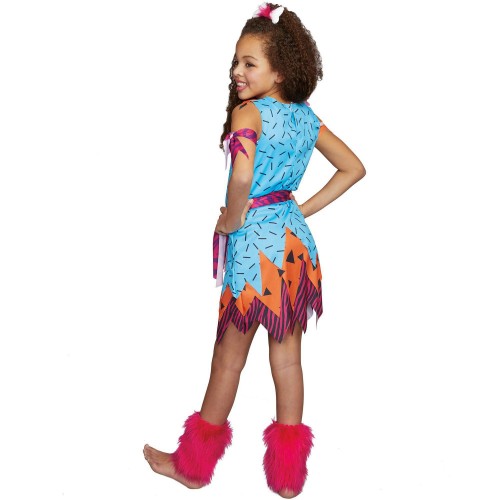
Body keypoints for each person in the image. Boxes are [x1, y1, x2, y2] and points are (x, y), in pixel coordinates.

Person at [143, 3, 365, 497]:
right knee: (287, 361)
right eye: (235, 62)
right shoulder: (306, 119)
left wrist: (231, 218)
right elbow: (353, 168)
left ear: (279, 71)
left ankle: (193, 467)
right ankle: (288, 479)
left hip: (254, 250)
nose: (237, 72)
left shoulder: (248, 113)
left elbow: (242, 176)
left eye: (249, 63)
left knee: (228, 358)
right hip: (295, 246)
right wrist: (300, 210)